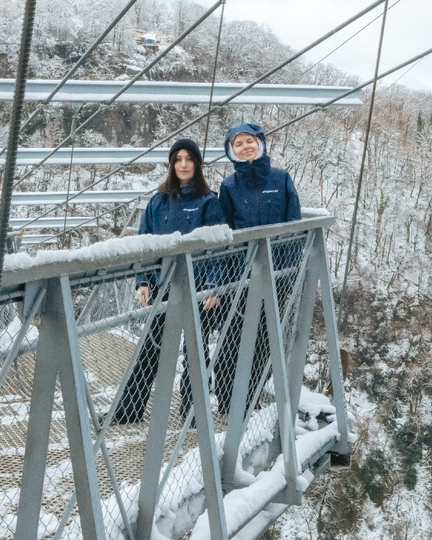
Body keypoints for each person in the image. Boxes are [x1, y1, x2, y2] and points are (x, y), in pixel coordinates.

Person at [109, 138, 225, 426]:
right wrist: (142, 281)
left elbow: (220, 249)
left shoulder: (209, 202)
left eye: (189, 159)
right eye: (178, 159)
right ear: (172, 164)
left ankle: (192, 413)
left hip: (198, 290)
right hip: (163, 286)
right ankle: (129, 410)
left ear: (197, 164)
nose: (183, 164)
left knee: (195, 352)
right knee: (150, 348)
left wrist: (215, 286)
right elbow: (145, 246)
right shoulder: (158, 201)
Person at [214, 123, 301, 417]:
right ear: (231, 151)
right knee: (232, 341)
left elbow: (294, 226)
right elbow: (224, 233)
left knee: (265, 342)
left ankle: (250, 401)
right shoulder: (228, 187)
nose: (245, 147)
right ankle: (227, 405)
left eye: (249, 141)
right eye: (238, 144)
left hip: (277, 276)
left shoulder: (281, 178)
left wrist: (289, 272)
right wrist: (227, 278)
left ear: (260, 144)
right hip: (241, 278)